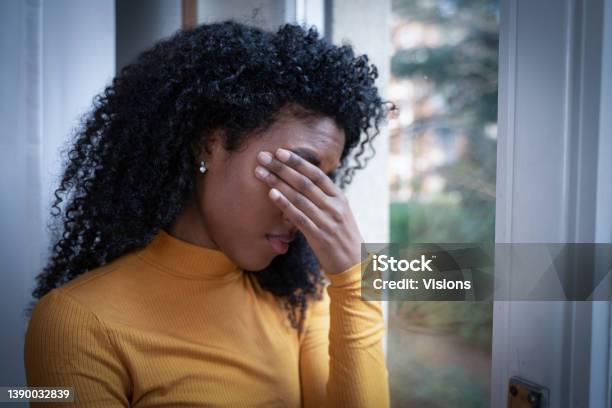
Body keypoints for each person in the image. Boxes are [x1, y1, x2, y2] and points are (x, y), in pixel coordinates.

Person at [24, 20, 393, 407]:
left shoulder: (301, 299)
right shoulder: (77, 323)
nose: (309, 208)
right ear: (209, 143)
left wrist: (354, 278)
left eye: (324, 184)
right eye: (298, 173)